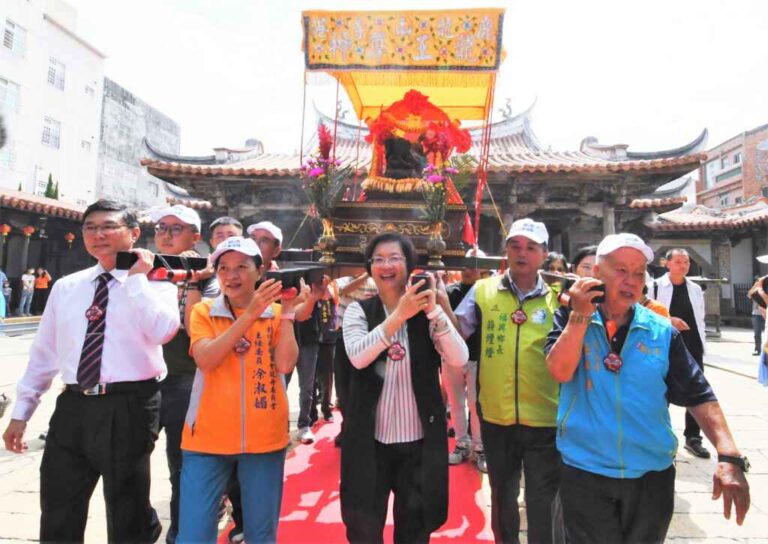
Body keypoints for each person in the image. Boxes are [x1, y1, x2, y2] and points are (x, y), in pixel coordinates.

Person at [545, 233, 751, 544]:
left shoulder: (660, 330)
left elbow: (699, 394)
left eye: (639, 273)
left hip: (650, 475)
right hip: (585, 470)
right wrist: (579, 316)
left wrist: (729, 455)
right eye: (621, 270)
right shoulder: (570, 317)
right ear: (597, 274)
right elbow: (559, 371)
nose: (631, 281)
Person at [2, 199, 180, 542]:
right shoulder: (67, 287)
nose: (98, 235)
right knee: (58, 505)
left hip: (129, 405)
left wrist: (136, 281)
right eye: (90, 227)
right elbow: (44, 353)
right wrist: (23, 412)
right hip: (74, 406)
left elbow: (162, 332)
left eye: (108, 226)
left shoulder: (158, 285)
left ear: (133, 233)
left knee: (126, 509)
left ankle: (143, 528)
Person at [341, 232, 468, 543]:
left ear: (409, 265)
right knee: (365, 527)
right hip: (370, 441)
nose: (386, 266)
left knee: (414, 529)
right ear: (369, 267)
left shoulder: (427, 313)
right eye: (379, 259)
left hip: (418, 442)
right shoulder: (359, 311)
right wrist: (400, 315)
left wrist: (435, 308)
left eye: (395, 258)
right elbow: (358, 357)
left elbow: (459, 357)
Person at [178, 236, 299, 543]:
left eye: (242, 267)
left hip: (264, 440)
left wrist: (286, 314)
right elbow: (206, 359)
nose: (232, 275)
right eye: (224, 267)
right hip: (206, 440)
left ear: (261, 271)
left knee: (260, 533)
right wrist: (249, 315)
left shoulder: (274, 313)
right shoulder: (203, 312)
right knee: (193, 534)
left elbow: (285, 364)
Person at [454, 218, 561, 544]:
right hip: (497, 415)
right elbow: (458, 335)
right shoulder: (483, 290)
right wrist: (439, 309)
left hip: (545, 417)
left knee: (542, 499)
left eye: (530, 248)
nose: (522, 253)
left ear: (543, 254)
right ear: (506, 251)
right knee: (502, 494)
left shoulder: (560, 297)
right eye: (515, 246)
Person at [150, 204, 218, 544]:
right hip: (143, 380)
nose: (165, 233)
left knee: (181, 464)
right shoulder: (144, 270)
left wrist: (194, 283)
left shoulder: (212, 276)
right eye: (161, 226)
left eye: (175, 228)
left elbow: (198, 330)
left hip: (185, 380)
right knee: (127, 460)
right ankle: (145, 526)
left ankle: (180, 533)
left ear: (196, 236)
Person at [652, 248, 709, 458]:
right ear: (667, 263)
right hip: (664, 345)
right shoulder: (655, 286)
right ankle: (662, 435)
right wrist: (670, 321)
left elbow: (700, 318)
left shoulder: (694, 288)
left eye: (686, 262)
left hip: (692, 346)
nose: (683, 265)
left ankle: (693, 437)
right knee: (661, 390)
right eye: (678, 261)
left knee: (695, 390)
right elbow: (644, 313)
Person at [444, 248, 487, 472]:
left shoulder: (488, 292)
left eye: (475, 263)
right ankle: (461, 443)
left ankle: (480, 447)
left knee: (476, 403)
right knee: (456, 403)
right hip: (452, 357)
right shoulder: (448, 292)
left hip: (478, 356)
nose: (469, 268)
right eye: (466, 263)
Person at [332, 272, 378, 447]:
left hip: (368, 339)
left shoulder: (376, 282)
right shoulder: (343, 279)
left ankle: (363, 430)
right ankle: (347, 427)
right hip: (343, 338)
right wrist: (365, 275)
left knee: (366, 386)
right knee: (343, 387)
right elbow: (342, 290)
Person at [748, 275, 766, 356]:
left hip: (766, 313)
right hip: (756, 314)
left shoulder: (765, 289)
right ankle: (758, 349)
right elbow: (749, 295)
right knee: (757, 333)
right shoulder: (755, 290)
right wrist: (756, 286)